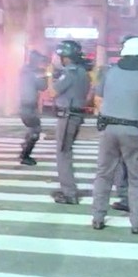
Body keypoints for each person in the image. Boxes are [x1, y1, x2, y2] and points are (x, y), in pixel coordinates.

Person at [91, 36, 138, 234]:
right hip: (134, 131)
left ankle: (98, 218)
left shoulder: (109, 72)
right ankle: (137, 223)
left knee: (103, 174)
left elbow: (97, 101)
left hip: (108, 129)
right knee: (137, 178)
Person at [48, 40, 91, 205]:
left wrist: (50, 75)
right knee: (65, 152)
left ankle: (69, 193)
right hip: (75, 115)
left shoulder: (70, 72)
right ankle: (69, 189)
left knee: (63, 154)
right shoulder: (82, 72)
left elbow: (52, 92)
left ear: (65, 57)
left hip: (67, 117)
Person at [18, 50, 50, 166]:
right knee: (35, 131)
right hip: (28, 106)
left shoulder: (25, 70)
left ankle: (25, 146)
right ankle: (25, 154)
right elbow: (43, 86)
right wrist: (45, 75)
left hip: (26, 105)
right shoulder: (32, 72)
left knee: (33, 129)